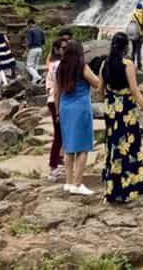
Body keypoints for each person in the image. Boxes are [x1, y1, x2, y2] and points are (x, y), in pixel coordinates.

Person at [100, 32, 143, 203]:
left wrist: (111, 97)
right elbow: (134, 89)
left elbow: (100, 90)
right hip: (125, 109)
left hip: (111, 108)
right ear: (126, 47)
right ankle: (130, 186)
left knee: (114, 144)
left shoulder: (105, 64)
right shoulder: (128, 64)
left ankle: (113, 187)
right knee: (129, 144)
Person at [55, 40, 102, 195]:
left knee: (68, 146)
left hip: (64, 108)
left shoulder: (60, 67)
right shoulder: (82, 66)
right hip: (80, 108)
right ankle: (78, 183)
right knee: (83, 147)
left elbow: (56, 92)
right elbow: (97, 84)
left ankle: (68, 183)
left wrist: (57, 112)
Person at [45, 37, 67, 181]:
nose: (66, 50)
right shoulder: (59, 65)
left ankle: (58, 160)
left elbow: (47, 85)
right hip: (57, 101)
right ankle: (53, 166)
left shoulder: (52, 64)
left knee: (60, 134)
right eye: (63, 48)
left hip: (52, 100)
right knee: (59, 135)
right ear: (57, 50)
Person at [128, 2, 143, 70]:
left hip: (133, 34)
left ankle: (132, 64)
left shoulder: (133, 13)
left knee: (133, 50)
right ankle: (139, 66)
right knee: (138, 51)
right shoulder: (142, 13)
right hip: (139, 34)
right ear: (141, 8)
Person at [25, 19, 45, 85]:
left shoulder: (30, 31)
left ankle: (38, 77)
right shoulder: (40, 30)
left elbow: (29, 42)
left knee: (29, 66)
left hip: (33, 49)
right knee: (35, 65)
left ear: (30, 24)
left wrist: (26, 50)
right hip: (40, 49)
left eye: (27, 25)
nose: (27, 26)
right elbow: (43, 41)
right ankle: (35, 82)